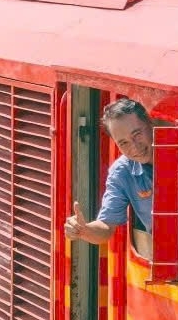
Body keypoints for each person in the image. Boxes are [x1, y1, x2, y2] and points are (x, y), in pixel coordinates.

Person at [63, 98, 155, 249]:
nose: (134, 147)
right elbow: (106, 227)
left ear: (150, 124)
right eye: (123, 143)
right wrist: (84, 230)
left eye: (137, 134)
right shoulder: (122, 172)